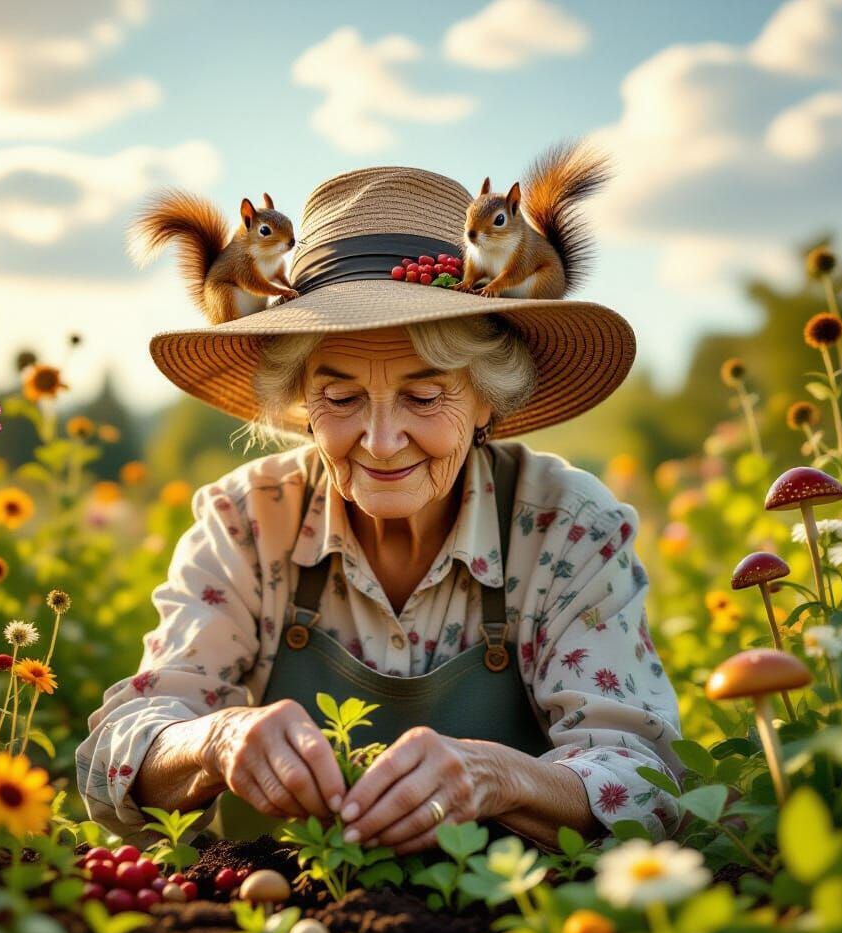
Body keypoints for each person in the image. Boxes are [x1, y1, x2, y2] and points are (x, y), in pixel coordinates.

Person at [77, 165, 683, 854]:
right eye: (340, 399)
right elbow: (116, 759)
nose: (382, 442)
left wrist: (500, 777)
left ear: (489, 397)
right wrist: (214, 739)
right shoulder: (248, 521)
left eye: (425, 399)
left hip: (519, 929)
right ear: (301, 403)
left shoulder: (566, 527)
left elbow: (650, 784)